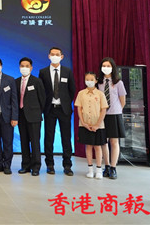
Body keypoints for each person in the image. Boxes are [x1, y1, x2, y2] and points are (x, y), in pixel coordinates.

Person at [39, 47, 76, 176]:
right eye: (52, 54)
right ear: (49, 56)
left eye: (57, 54)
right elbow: (41, 91)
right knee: (49, 137)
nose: (55, 56)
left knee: (66, 138)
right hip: (49, 109)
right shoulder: (43, 72)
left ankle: (67, 165)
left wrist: (65, 102)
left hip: (64, 109)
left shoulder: (67, 71)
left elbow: (72, 90)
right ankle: (50, 164)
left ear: (62, 56)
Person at [97, 57, 127, 180]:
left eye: (108, 66)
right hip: (102, 115)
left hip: (114, 114)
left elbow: (122, 100)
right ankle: (107, 166)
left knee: (114, 142)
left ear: (113, 67)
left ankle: (113, 167)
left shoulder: (118, 82)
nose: (106, 68)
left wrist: (116, 110)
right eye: (104, 66)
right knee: (103, 142)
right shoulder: (98, 82)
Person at [75, 72, 108, 179]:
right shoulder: (81, 93)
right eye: (87, 79)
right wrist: (83, 123)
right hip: (85, 124)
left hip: (98, 125)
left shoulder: (100, 94)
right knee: (88, 146)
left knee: (98, 146)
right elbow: (79, 109)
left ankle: (99, 169)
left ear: (96, 81)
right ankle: (90, 169)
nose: (89, 81)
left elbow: (103, 110)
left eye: (91, 79)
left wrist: (97, 124)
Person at [16, 57, 46, 176]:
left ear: (31, 68)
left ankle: (36, 166)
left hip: (34, 116)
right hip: (21, 116)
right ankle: (25, 165)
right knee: (23, 142)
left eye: (27, 66)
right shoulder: (16, 81)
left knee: (35, 142)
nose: (24, 68)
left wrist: (37, 112)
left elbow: (42, 99)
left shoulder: (37, 81)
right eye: (22, 66)